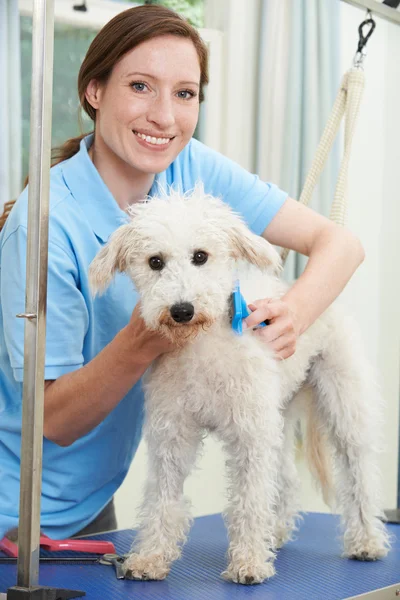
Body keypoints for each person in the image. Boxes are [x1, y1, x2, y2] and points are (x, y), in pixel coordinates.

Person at [0, 4, 364, 540]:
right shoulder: (44, 227)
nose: (165, 117)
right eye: (141, 86)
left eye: (185, 93)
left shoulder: (187, 164)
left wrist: (295, 313)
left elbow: (340, 244)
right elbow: (52, 422)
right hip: (18, 515)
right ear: (94, 91)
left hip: (95, 508)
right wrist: (144, 340)